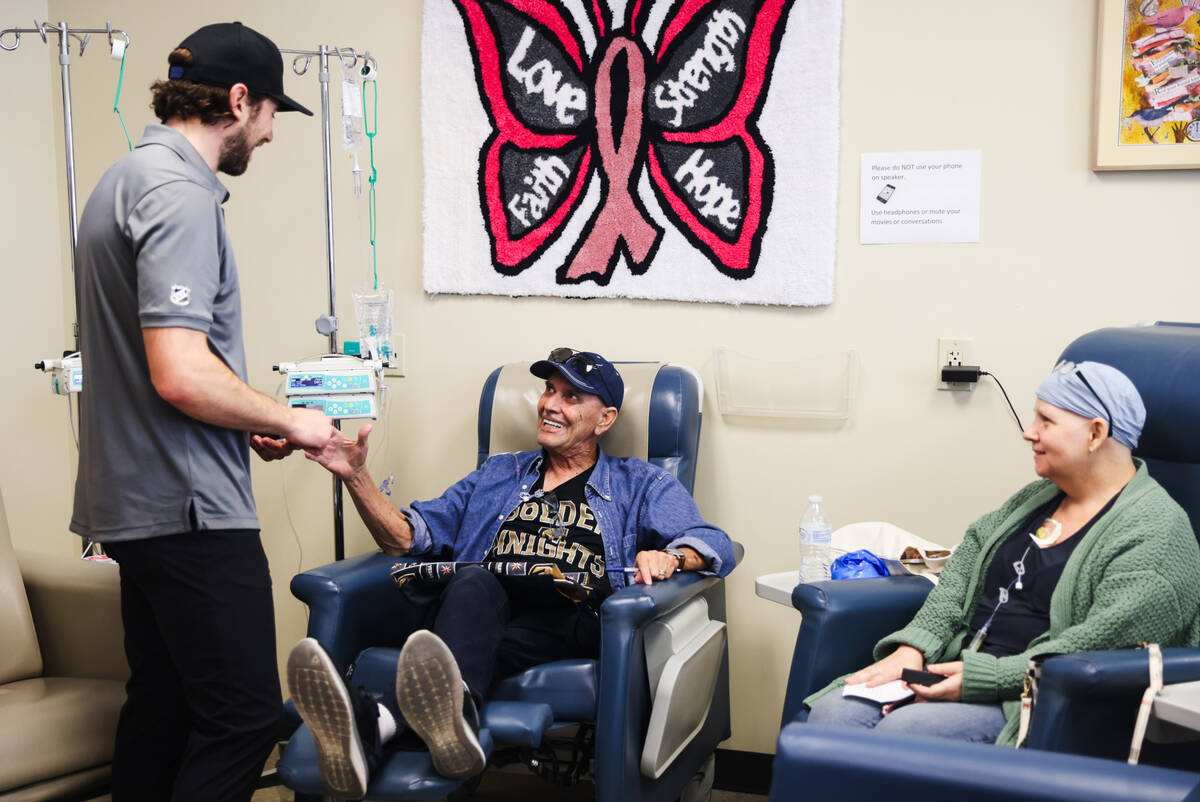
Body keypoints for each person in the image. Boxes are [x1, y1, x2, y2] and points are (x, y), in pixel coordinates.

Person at [258, 348, 735, 798]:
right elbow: (406, 538)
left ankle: (374, 718)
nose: (550, 404)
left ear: (605, 419)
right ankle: (426, 718)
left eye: (571, 397)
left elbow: (713, 542)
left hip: (572, 613)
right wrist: (355, 476)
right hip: (485, 612)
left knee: (474, 585)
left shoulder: (640, 482)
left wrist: (673, 557)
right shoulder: (498, 474)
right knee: (475, 584)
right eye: (549, 390)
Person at [70, 22, 342, 801]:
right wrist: (294, 419)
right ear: (236, 100)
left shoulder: (123, 179)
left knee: (163, 706)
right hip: (189, 511)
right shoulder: (181, 194)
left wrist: (242, 411)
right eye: (268, 116)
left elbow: (158, 351)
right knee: (243, 719)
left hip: (131, 503)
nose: (268, 135)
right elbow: (180, 374)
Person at [805, 360, 1200, 745]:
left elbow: (1098, 648)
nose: (1030, 433)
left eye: (1047, 421)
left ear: (1096, 433)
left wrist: (987, 678)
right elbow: (964, 566)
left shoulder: (1156, 533)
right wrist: (914, 647)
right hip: (954, 667)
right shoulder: (1037, 498)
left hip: (1036, 698)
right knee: (832, 716)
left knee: (905, 734)